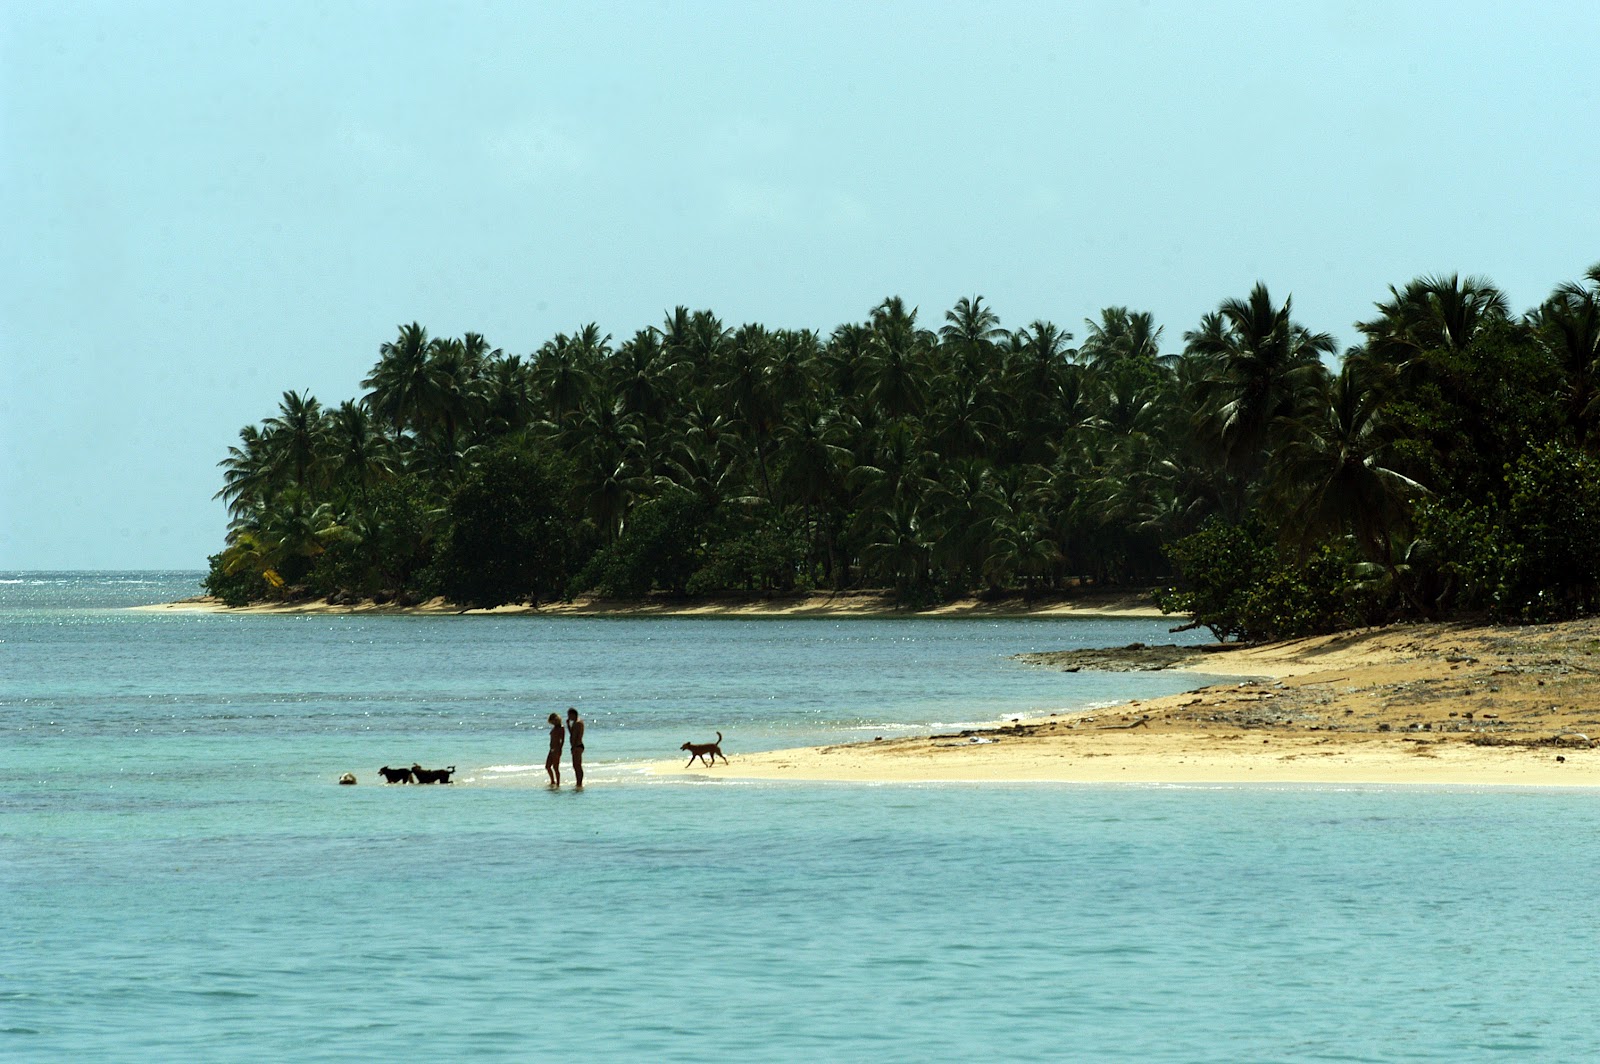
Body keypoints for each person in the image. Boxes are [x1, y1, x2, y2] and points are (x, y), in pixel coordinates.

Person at [566, 707, 585, 789]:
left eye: (569, 715)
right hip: (576, 746)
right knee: (576, 765)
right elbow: (572, 733)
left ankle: (579, 782)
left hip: (577, 746)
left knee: (577, 765)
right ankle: (578, 781)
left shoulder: (578, 723)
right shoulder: (575, 723)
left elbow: (575, 736)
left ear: (573, 714)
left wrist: (573, 747)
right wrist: (568, 725)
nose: (568, 717)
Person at [545, 712, 565, 786]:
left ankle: (558, 783)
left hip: (556, 749)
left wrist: (560, 749)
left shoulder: (561, 728)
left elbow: (562, 740)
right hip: (551, 749)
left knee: (555, 767)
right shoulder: (555, 727)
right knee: (547, 766)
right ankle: (553, 781)